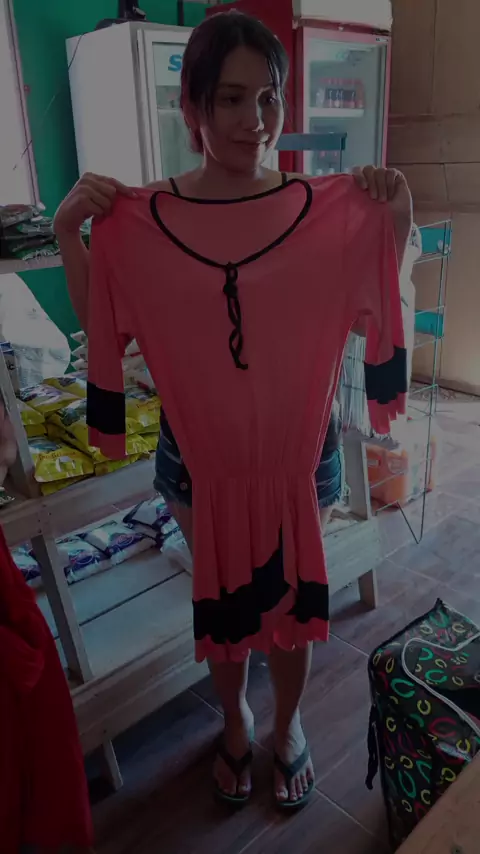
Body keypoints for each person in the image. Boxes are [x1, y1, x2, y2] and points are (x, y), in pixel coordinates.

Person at [54, 10, 412, 810]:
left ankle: (287, 724)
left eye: (269, 97)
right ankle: (237, 720)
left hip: (302, 454)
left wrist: (396, 215)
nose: (255, 120)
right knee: (221, 599)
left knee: (292, 599)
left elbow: (377, 296)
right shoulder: (142, 222)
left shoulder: (324, 211)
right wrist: (69, 230)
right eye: (230, 99)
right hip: (198, 461)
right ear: (192, 107)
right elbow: (103, 322)